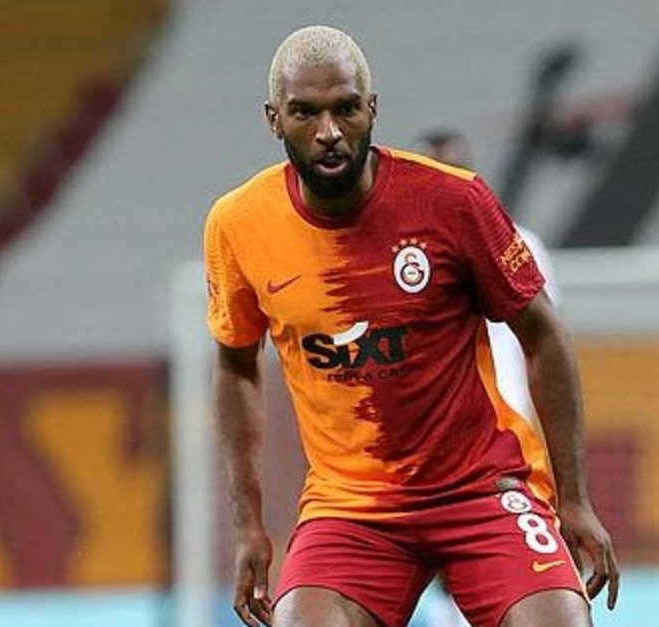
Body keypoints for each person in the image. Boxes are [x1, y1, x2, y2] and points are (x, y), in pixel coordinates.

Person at [204, 25, 618, 627]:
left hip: (481, 488)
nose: (328, 131)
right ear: (274, 119)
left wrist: (574, 499)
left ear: (372, 109)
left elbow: (544, 335)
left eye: (346, 109)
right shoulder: (238, 224)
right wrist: (248, 525)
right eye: (305, 113)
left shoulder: (453, 201)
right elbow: (235, 366)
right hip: (351, 508)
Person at [409, 130, 561, 627]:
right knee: (442, 566)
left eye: (454, 169)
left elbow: (544, 343)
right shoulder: (394, 253)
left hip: (505, 429)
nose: (444, 181)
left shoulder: (517, 243)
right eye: (432, 170)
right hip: (428, 436)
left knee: (514, 559)